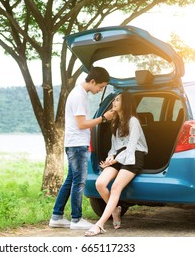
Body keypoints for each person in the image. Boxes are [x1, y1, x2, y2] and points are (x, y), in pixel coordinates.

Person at [49, 66, 115, 230]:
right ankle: (76, 219)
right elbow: (82, 124)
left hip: (74, 144)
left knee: (70, 180)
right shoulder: (79, 96)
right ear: (92, 81)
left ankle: (56, 217)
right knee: (79, 182)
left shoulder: (79, 93)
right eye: (100, 87)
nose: (100, 90)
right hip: (77, 145)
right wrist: (103, 118)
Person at [84, 91, 148, 236]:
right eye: (114, 100)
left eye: (117, 100)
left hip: (133, 157)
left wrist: (116, 159)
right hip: (119, 156)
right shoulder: (116, 122)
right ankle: (114, 210)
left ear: (125, 104)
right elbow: (114, 147)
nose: (114, 102)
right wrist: (110, 158)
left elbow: (131, 147)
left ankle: (99, 225)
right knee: (100, 183)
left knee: (115, 188)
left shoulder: (133, 121)